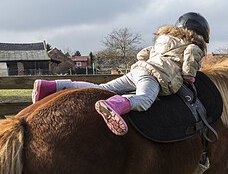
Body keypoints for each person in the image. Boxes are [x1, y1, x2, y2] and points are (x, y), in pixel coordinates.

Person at [32, 12, 210, 136]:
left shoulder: (163, 39)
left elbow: (142, 54)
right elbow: (190, 62)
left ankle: (51, 86)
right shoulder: (193, 46)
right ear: (200, 33)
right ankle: (115, 105)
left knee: (102, 88)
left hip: (139, 70)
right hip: (156, 77)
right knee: (145, 100)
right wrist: (188, 77)